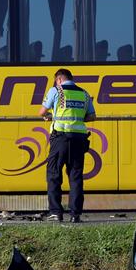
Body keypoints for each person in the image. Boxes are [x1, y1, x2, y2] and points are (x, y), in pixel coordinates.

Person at [38, 68, 96, 223]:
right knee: (76, 176)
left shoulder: (56, 90)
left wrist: (49, 116)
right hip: (79, 139)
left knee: (54, 174)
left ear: (58, 79)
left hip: (60, 138)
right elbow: (92, 116)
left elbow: (41, 111)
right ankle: (75, 215)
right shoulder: (84, 93)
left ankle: (56, 212)